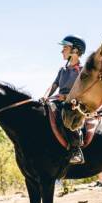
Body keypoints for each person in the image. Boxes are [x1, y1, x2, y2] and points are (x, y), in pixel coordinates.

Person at [42, 34, 86, 165]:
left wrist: (67, 97)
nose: (62, 51)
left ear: (75, 51)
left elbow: (83, 91)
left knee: (67, 117)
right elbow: (54, 85)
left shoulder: (82, 71)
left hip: (74, 104)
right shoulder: (62, 70)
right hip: (58, 101)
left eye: (65, 48)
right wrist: (45, 95)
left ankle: (76, 150)